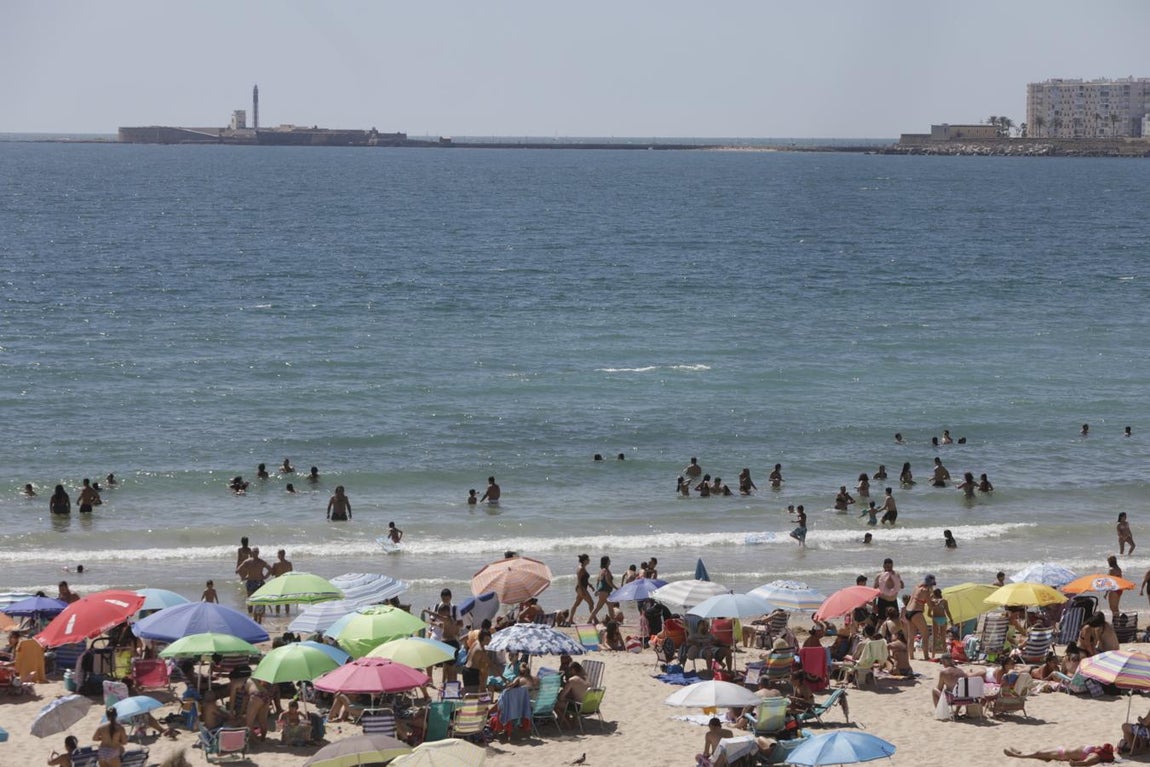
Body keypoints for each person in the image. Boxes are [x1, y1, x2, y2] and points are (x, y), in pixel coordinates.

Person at [904, 575, 935, 660]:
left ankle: (911, 656)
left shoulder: (916, 587)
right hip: (916, 612)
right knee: (925, 634)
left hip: (908, 611)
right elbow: (930, 605)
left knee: (911, 636)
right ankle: (926, 656)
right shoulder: (925, 591)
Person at [236, 547, 271, 614]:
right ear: (252, 553)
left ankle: (257, 614)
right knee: (252, 599)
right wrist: (244, 577)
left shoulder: (256, 561)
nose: (255, 553)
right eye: (255, 552)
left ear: (257, 553)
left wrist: (243, 577)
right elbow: (238, 570)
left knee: (258, 599)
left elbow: (238, 570)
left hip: (257, 582)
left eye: (256, 552)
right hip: (253, 581)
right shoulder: (252, 561)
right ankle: (252, 613)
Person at [1003, 744, 1114, 764]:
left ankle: (1015, 755)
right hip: (1061, 749)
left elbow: (1085, 763)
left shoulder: (1095, 756)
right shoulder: (1095, 751)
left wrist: (1074, 764)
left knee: (1037, 753)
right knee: (1039, 752)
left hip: (1061, 754)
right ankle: (1020, 752)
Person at [589, 556, 615, 623]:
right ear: (606, 562)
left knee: (609, 606)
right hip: (605, 592)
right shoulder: (605, 570)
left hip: (604, 592)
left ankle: (613, 621)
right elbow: (608, 581)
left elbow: (598, 580)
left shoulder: (602, 570)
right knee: (599, 607)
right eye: (609, 560)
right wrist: (616, 588)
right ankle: (589, 621)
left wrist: (597, 590)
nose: (610, 561)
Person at [928, 587, 953, 653]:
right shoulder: (944, 601)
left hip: (935, 619)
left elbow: (928, 614)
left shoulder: (932, 602)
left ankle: (933, 655)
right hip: (943, 619)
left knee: (934, 638)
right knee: (943, 638)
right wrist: (951, 620)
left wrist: (933, 618)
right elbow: (948, 612)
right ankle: (945, 653)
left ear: (934, 594)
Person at [270, 550, 293, 615]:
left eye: (278, 554)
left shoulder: (276, 564)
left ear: (279, 555)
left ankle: (277, 614)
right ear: (284, 554)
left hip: (278, 583)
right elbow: (291, 573)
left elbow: (272, 573)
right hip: (286, 583)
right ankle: (287, 614)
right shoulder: (289, 563)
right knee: (287, 601)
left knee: (278, 601)